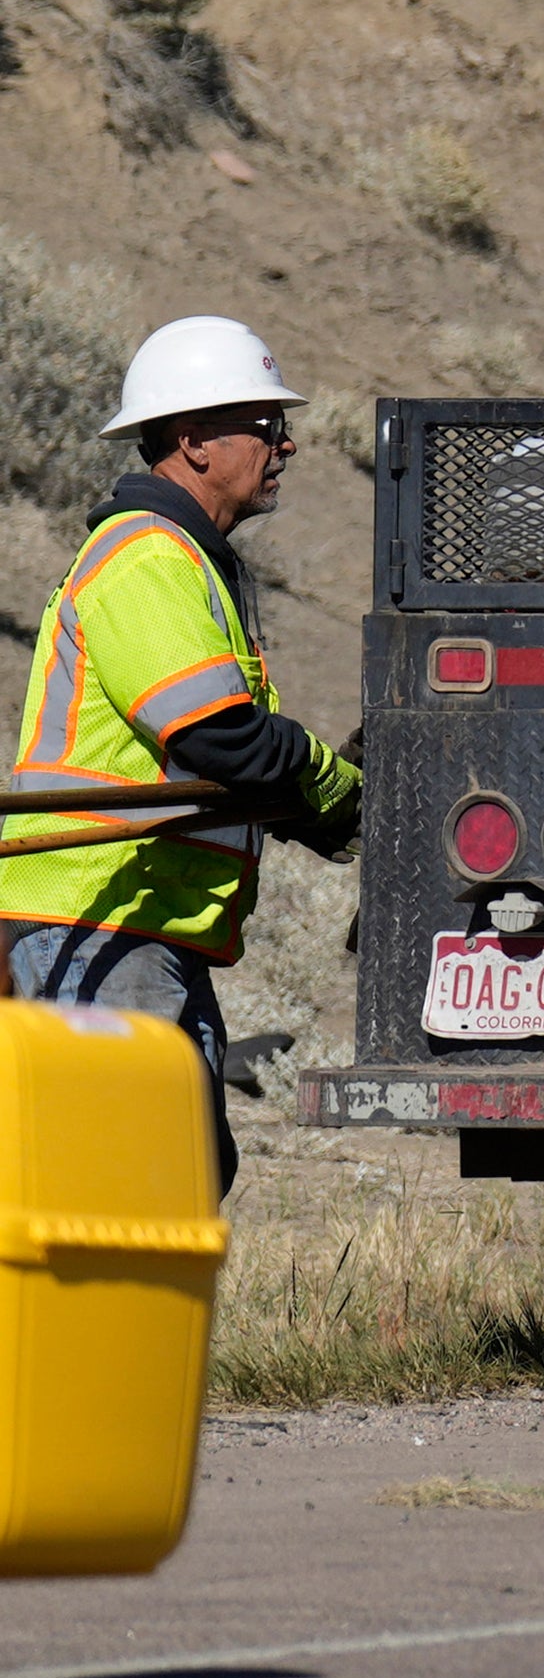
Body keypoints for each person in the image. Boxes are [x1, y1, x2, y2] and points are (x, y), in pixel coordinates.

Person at [0, 318, 360, 1190]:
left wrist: (331, 813)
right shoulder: (146, 558)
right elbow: (222, 739)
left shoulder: (191, 563)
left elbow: (227, 764)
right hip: (94, 919)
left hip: (139, 923)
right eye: (266, 426)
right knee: (135, 1177)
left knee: (185, 1168)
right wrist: (338, 789)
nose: (287, 444)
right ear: (193, 440)